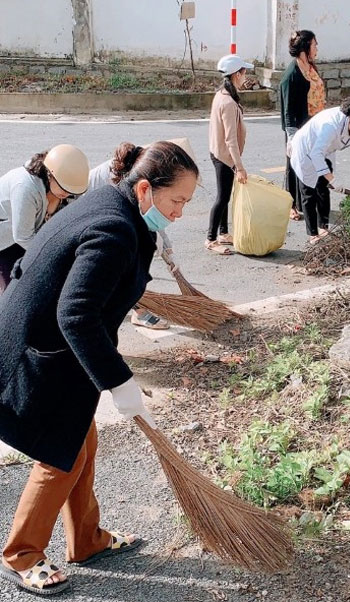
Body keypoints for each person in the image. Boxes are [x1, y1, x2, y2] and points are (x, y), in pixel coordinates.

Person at [0, 141, 198, 596]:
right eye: (177, 201)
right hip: (41, 350)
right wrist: (119, 381)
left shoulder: (114, 203)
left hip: (55, 344)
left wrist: (110, 374)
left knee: (81, 442)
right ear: (145, 189)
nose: (180, 213)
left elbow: (94, 301)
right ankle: (20, 554)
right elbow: (77, 314)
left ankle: (86, 539)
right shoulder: (114, 229)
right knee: (60, 454)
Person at [88, 137, 200, 330]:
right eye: (177, 200)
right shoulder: (124, 183)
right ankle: (138, 312)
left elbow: (155, 216)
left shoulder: (148, 181)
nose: (179, 212)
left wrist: (169, 252)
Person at [0, 144, 89, 292]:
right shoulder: (25, 187)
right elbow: (23, 236)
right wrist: (54, 256)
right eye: (63, 188)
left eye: (71, 191)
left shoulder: (70, 189)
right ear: (50, 174)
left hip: (33, 235)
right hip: (8, 239)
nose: (66, 193)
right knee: (14, 290)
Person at [290, 99, 350, 244]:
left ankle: (323, 227)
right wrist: (333, 180)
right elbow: (316, 154)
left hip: (325, 151)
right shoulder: (331, 125)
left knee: (323, 190)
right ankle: (313, 233)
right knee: (309, 193)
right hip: (306, 150)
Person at [206, 54, 253, 255]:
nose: (245, 76)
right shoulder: (228, 103)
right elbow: (230, 140)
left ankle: (224, 233)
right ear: (236, 74)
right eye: (243, 73)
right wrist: (239, 167)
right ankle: (210, 239)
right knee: (222, 198)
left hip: (219, 153)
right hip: (224, 156)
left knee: (225, 195)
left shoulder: (222, 95)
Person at [280, 30, 326, 221]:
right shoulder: (292, 75)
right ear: (305, 48)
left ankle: (304, 200)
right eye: (314, 44)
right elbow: (288, 108)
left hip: (314, 124)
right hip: (298, 127)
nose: (316, 48)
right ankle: (290, 203)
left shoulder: (310, 66)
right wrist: (292, 136)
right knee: (293, 164)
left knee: (309, 162)